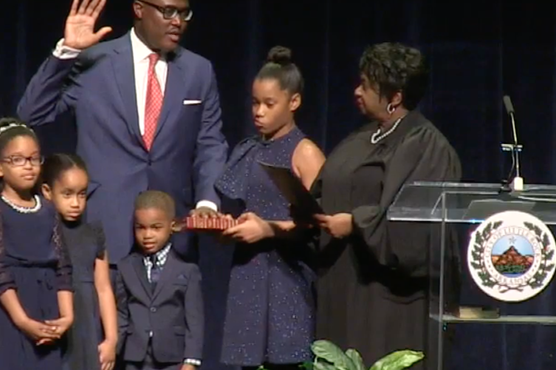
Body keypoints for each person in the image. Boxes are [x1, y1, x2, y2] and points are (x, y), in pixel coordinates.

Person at [236, 43, 462, 366]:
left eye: (366, 86)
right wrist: (304, 212)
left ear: (394, 96)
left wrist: (356, 223)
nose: (357, 91)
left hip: (390, 305)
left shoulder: (427, 146)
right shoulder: (360, 139)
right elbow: (326, 194)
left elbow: (417, 227)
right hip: (343, 289)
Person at [16, 0, 228, 266]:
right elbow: (32, 113)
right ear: (139, 9)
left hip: (172, 233)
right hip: (105, 231)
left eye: (184, 13)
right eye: (168, 12)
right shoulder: (95, 62)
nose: (177, 21)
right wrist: (67, 52)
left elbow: (211, 143)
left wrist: (207, 203)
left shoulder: (198, 71)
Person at [215, 46, 325, 370]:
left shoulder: (304, 152)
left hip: (287, 277)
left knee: (285, 360)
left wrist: (268, 229)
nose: (258, 112)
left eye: (269, 104)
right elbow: (249, 210)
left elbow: (320, 224)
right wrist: (228, 229)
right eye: (254, 102)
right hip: (248, 273)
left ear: (294, 103)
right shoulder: (249, 149)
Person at [0, 118, 74, 370]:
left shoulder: (48, 209)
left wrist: (67, 316)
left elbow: (62, 267)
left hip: (47, 305)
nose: (28, 166)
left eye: (34, 158)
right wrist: (22, 320)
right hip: (10, 312)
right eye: (17, 160)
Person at [41, 153, 118, 370]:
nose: (76, 203)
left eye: (82, 194)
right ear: (47, 191)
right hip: (53, 318)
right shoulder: (41, 230)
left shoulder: (93, 232)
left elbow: (103, 288)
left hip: (86, 324)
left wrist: (111, 339)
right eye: (67, 194)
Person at [113, 190, 204, 370]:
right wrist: (112, 349)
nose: (147, 235)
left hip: (173, 358)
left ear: (172, 226)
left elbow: (194, 321)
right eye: (141, 227)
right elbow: (121, 314)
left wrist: (191, 361)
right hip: (135, 358)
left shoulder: (187, 269)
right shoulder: (126, 267)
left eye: (156, 227)